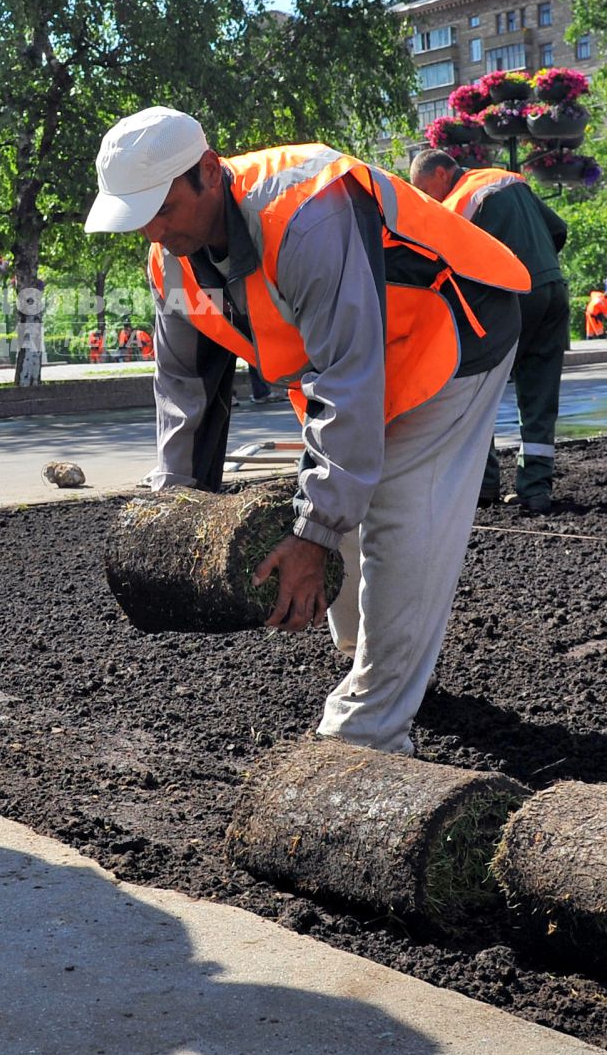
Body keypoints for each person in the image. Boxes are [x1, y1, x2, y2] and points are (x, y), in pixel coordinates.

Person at [85, 107, 528, 755]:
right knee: (329, 501)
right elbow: (187, 391)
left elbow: (349, 376)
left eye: (161, 208)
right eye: (138, 217)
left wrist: (312, 534)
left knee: (401, 520)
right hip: (354, 368)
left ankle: (367, 737)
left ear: (209, 172)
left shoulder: (304, 212)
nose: (152, 229)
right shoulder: (171, 262)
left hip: (451, 336)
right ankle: (356, 649)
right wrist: (175, 513)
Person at [410, 150, 570, 515]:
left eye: (423, 188)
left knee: (477, 388)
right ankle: (535, 489)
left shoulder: (458, 202)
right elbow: (558, 229)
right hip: (553, 290)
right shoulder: (508, 178)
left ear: (440, 173)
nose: (424, 197)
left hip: (512, 298)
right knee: (540, 394)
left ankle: (482, 487)